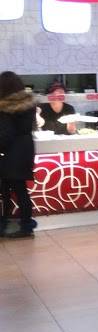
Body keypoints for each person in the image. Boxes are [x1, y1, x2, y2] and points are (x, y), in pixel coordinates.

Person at [0, 71, 39, 238]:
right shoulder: (29, 104)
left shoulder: (5, 107)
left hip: (11, 153)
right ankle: (26, 225)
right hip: (26, 148)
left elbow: (6, 134)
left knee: (7, 190)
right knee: (21, 189)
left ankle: (7, 224)